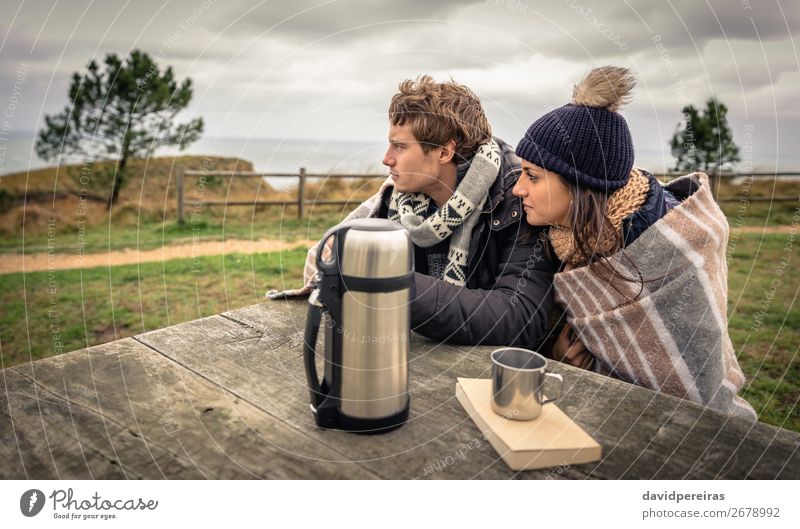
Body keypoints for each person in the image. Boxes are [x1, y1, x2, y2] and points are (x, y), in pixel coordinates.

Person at [511, 66, 756, 419]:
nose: (518, 188)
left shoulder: (667, 247)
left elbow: (688, 381)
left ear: (580, 187)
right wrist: (561, 357)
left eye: (532, 176)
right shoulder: (565, 236)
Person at [269, 75, 553, 347]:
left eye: (400, 146)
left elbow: (520, 316)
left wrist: (395, 287)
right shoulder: (397, 200)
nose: (386, 159)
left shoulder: (518, 199)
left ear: (444, 152)